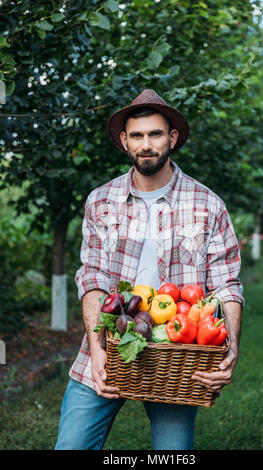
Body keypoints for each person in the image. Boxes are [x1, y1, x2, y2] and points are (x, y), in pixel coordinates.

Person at [54, 89, 244, 450]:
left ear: (171, 138)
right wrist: (97, 349)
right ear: (124, 141)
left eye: (155, 134)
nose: (146, 144)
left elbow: (227, 285)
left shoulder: (208, 204)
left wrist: (230, 347)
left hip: (179, 354)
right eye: (137, 135)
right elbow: (93, 277)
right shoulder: (100, 201)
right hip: (109, 346)